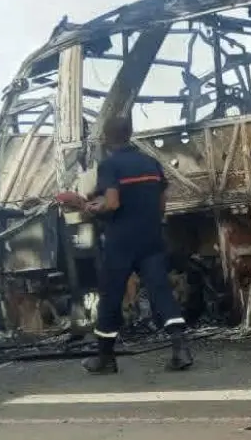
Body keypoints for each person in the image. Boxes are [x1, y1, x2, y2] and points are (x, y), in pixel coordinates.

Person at [76, 116, 193, 374]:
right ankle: (180, 348)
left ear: (106, 138)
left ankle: (105, 358)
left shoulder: (109, 166)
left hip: (121, 240)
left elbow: (113, 203)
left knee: (111, 296)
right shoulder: (150, 163)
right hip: (151, 237)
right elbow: (162, 204)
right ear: (129, 134)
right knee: (161, 290)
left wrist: (92, 206)